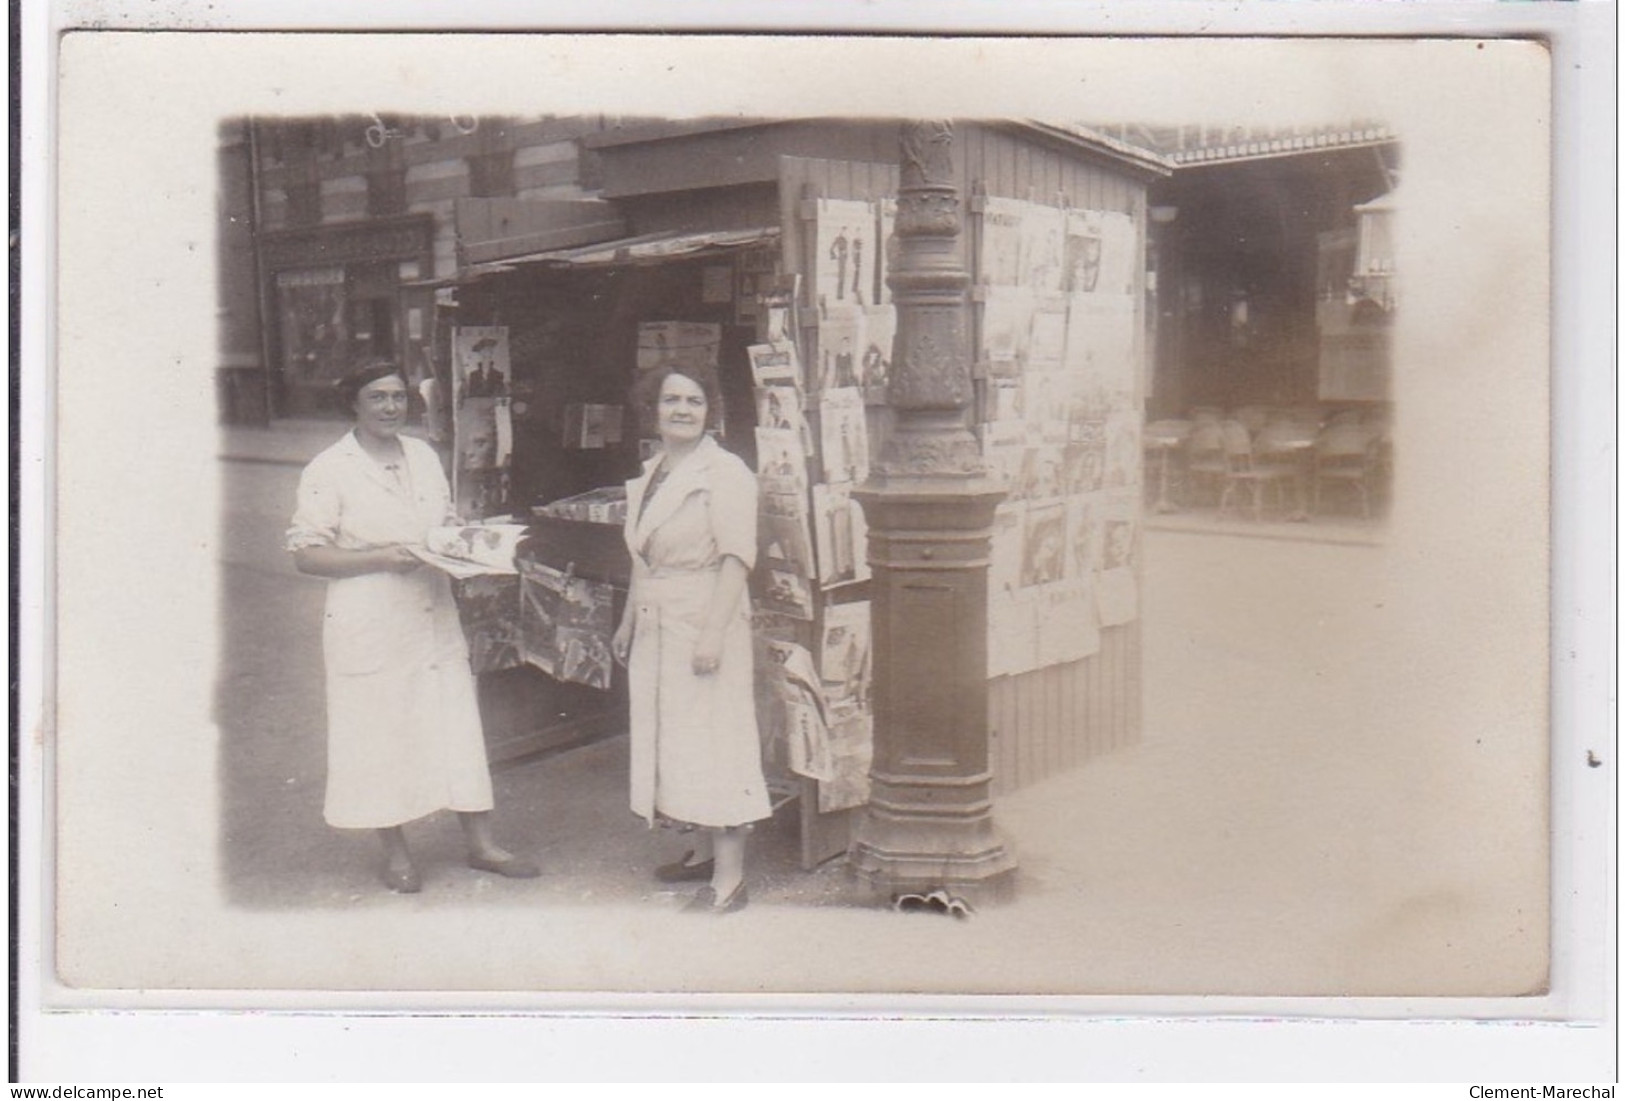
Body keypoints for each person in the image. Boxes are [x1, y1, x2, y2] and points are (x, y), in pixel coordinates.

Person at [285, 361, 539, 894]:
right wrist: (381, 557)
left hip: (431, 610)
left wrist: (469, 544)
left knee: (454, 725)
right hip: (369, 615)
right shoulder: (329, 468)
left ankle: (482, 843)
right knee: (379, 731)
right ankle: (396, 852)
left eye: (398, 397)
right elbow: (307, 554)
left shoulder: (423, 456)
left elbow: (440, 526)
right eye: (376, 397)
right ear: (353, 402)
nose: (390, 407)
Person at [612, 363, 770, 914]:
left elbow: (736, 559)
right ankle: (704, 851)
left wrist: (712, 634)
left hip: (706, 614)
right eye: (671, 399)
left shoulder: (725, 472)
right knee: (679, 742)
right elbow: (642, 556)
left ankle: (730, 881)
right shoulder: (653, 470)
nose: (682, 410)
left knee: (716, 741)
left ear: (710, 411)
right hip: (661, 618)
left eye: (695, 401)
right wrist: (629, 619)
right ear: (652, 408)